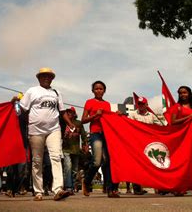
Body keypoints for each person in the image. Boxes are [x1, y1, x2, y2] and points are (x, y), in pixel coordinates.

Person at [11, 67, 75, 201]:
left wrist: (70, 123)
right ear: (38, 78)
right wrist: (15, 104)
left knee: (56, 157)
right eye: (43, 76)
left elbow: (62, 111)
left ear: (52, 79)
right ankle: (38, 191)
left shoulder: (56, 93)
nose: (46, 78)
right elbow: (21, 110)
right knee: (37, 161)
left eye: (49, 76)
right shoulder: (32, 91)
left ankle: (58, 189)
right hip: (35, 131)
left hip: (54, 129)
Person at [81, 80, 120, 198]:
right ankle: (86, 182)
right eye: (96, 88)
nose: (99, 90)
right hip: (95, 133)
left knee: (107, 161)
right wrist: (94, 116)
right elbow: (83, 120)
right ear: (93, 91)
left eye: (101, 89)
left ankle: (110, 189)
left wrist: (117, 114)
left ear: (104, 91)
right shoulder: (89, 102)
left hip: (107, 134)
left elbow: (110, 119)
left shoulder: (107, 104)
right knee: (97, 161)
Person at [128, 96, 161, 195]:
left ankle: (158, 187)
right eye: (139, 104)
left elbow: (159, 126)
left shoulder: (151, 116)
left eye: (143, 104)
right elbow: (128, 125)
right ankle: (137, 188)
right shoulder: (132, 114)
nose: (141, 106)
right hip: (137, 143)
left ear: (147, 105)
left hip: (149, 144)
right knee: (137, 165)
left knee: (153, 164)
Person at [62, 107, 87, 194]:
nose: (69, 114)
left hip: (76, 150)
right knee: (68, 166)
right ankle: (68, 187)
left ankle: (72, 187)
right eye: (67, 112)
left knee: (74, 170)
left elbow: (83, 135)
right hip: (65, 149)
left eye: (71, 112)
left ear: (74, 114)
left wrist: (85, 144)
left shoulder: (78, 123)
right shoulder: (63, 123)